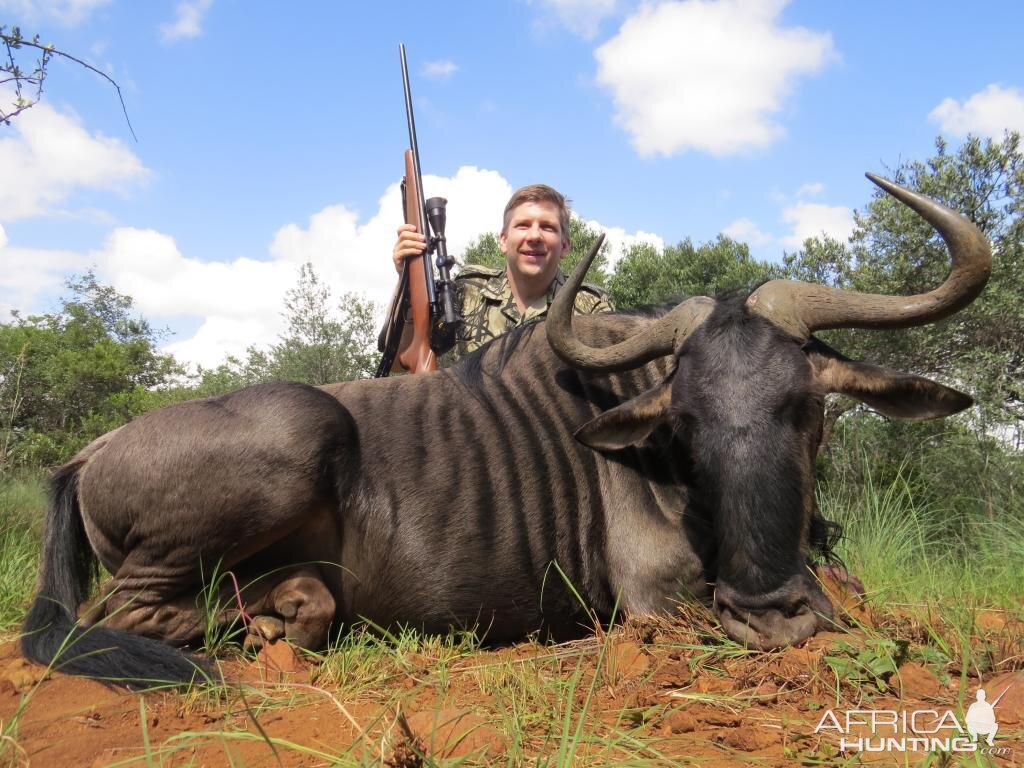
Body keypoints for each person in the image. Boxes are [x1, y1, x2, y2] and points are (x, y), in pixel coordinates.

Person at [392, 184, 613, 359]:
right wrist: (407, 283)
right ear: (503, 240)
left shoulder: (591, 306)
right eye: (523, 225)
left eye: (547, 227)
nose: (534, 236)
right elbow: (401, 362)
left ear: (564, 246)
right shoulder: (467, 291)